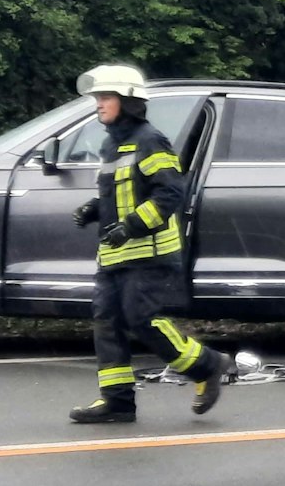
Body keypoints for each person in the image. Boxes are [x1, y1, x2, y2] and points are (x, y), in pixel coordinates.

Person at [68, 64, 235, 424]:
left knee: (141, 320)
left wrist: (130, 226)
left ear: (128, 101)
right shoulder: (111, 144)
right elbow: (119, 193)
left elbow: (170, 193)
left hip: (149, 254)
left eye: (106, 97)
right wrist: (93, 209)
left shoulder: (150, 140)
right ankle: (117, 402)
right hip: (114, 255)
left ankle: (208, 365)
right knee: (107, 324)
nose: (98, 104)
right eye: (98, 98)